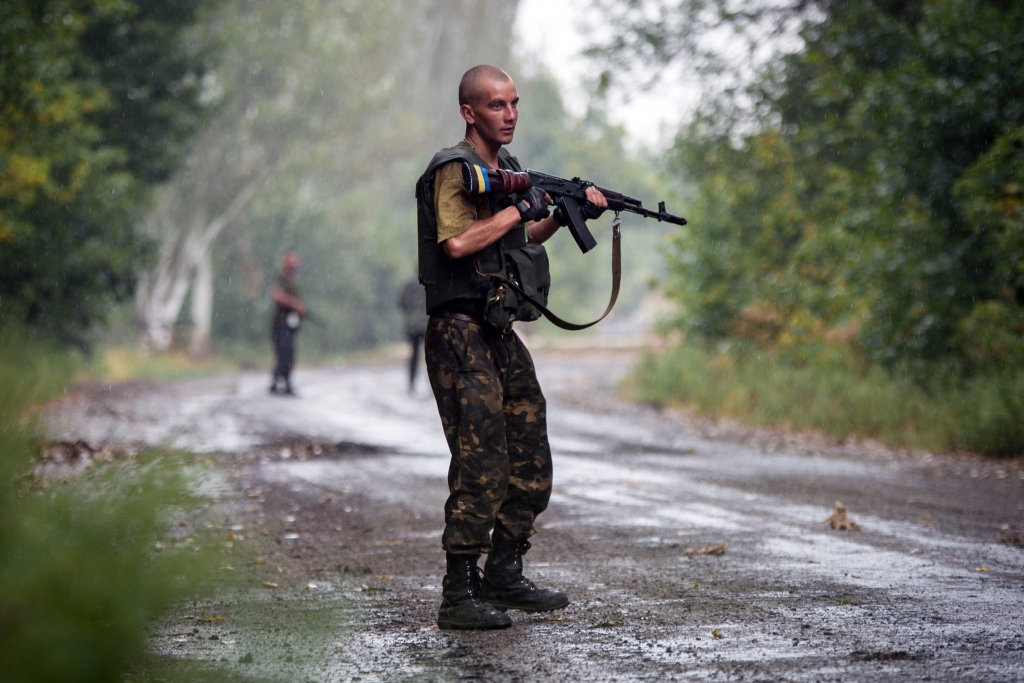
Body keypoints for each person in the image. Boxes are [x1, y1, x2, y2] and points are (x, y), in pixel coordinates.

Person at [415, 65, 608, 630]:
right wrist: (516, 210)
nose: (510, 114)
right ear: (469, 112)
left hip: (498, 327)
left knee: (530, 449)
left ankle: (503, 572)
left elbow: (520, 235)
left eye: (515, 103)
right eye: (496, 105)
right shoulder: (455, 169)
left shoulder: (514, 173)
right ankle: (458, 593)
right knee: (480, 460)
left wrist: (571, 213)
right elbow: (457, 244)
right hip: (457, 328)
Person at [269, 251, 306, 396]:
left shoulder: (292, 280)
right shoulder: (281, 278)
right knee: (284, 353)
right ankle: (278, 382)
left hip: (290, 325)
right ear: (285, 262)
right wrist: (295, 305)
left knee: (289, 354)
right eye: (290, 262)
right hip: (281, 324)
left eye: (294, 262)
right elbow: (276, 295)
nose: (293, 265)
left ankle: (285, 382)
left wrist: (300, 309)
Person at [398, 277, 428, 393]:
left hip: (413, 325)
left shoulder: (409, 284)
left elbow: (401, 303)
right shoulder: (429, 282)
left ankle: (411, 383)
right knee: (431, 355)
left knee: (414, 355)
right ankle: (433, 385)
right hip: (427, 323)